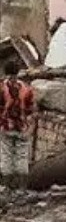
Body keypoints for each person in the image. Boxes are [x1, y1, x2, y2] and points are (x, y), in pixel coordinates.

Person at [1, 61, 34, 190]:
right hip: (22, 129)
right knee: (22, 156)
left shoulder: (1, 88)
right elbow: (31, 110)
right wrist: (30, 128)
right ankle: (21, 189)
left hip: (6, 128)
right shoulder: (26, 89)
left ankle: (6, 188)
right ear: (18, 73)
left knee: (6, 156)